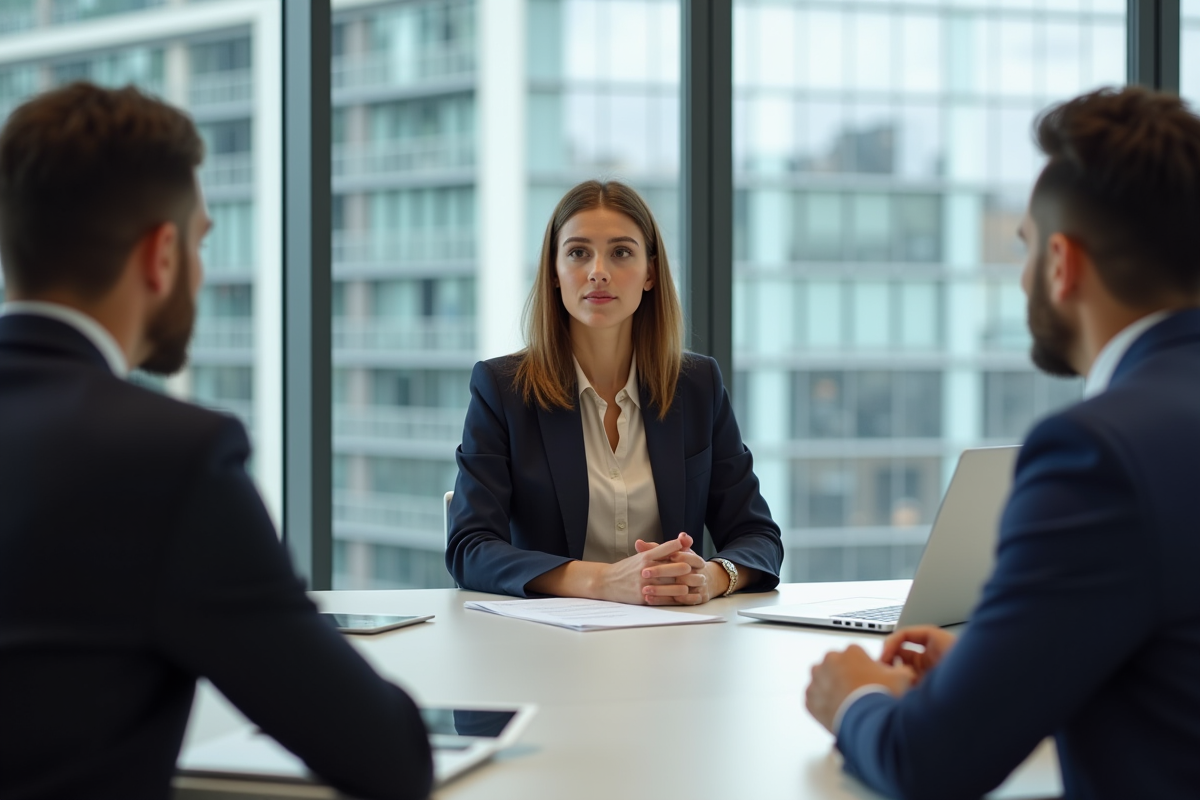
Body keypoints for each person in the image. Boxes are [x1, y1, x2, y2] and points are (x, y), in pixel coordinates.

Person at [0, 83, 432, 800]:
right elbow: (386, 755)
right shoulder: (168, 458)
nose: (202, 273)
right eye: (200, 242)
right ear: (160, 255)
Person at [804, 86, 1200, 799]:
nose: (1020, 281)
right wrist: (1016, 663)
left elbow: (928, 763)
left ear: (1060, 265)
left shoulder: (1098, 452)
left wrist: (853, 697)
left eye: (1023, 250)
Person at [447, 180, 783, 603]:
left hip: (675, 638)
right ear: (554, 272)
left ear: (650, 273)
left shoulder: (698, 385)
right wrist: (601, 582)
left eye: (621, 252)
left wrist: (711, 578)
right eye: (578, 252)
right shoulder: (503, 389)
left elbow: (758, 536)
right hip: (547, 645)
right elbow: (470, 548)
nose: (598, 271)